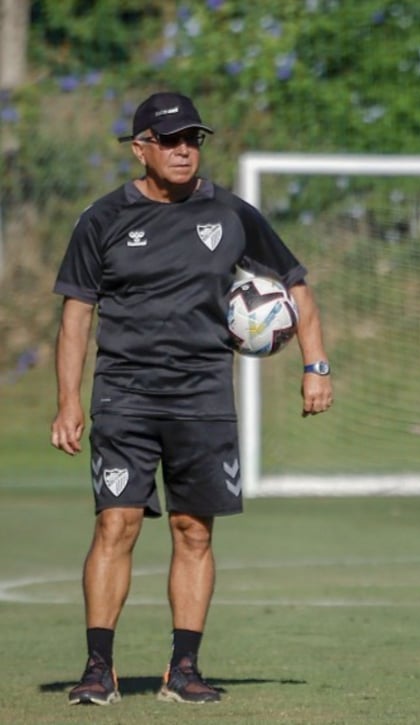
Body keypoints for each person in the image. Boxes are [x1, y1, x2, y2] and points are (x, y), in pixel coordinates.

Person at [50, 91, 334, 705]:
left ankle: (184, 669)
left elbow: (297, 287)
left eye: (193, 140)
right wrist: (68, 400)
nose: (183, 151)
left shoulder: (232, 214)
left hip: (203, 397)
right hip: (124, 396)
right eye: (170, 140)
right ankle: (99, 668)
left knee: (193, 531)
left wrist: (316, 366)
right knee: (116, 523)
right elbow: (76, 317)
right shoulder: (101, 219)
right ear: (140, 148)